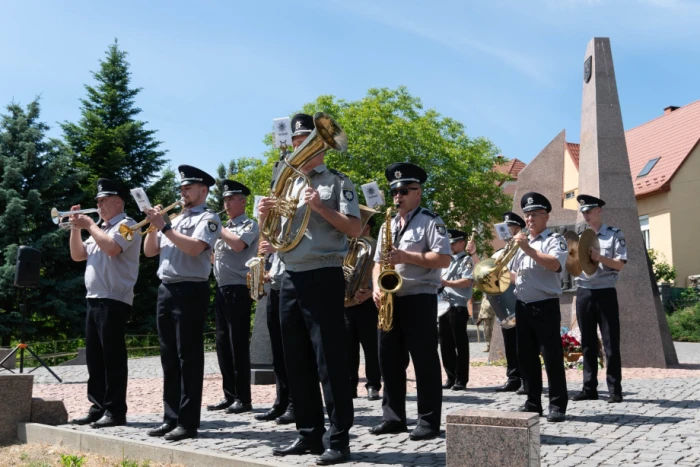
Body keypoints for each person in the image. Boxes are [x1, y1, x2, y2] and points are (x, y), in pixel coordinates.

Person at [258, 113, 360, 465]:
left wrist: (319, 207)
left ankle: (339, 439)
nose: (300, 147)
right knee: (295, 361)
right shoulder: (285, 182)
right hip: (288, 275)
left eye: (308, 141)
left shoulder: (337, 182)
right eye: (299, 141)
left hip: (321, 273)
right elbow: (272, 233)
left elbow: (355, 228)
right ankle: (308, 434)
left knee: (328, 361)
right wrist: (263, 215)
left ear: (319, 147)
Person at [370, 162, 451, 441]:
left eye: (404, 190)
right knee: (389, 362)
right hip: (391, 300)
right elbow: (377, 263)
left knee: (425, 362)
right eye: (394, 191)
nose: (398, 196)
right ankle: (393, 418)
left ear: (418, 192)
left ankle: (428, 421)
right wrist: (375, 288)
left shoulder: (431, 221)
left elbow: (443, 259)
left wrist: (406, 257)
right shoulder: (387, 225)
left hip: (419, 298)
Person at [143, 165, 221, 441]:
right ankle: (170, 417)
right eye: (182, 188)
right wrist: (155, 227)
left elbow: (195, 248)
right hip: (166, 289)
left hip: (191, 289)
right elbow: (150, 250)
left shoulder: (209, 218)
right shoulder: (174, 218)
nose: (183, 192)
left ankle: (187, 422)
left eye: (188, 188)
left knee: (188, 357)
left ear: (203, 190)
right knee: (168, 357)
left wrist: (163, 226)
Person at [69, 178, 140, 429]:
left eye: (103, 201)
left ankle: (115, 411)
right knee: (95, 359)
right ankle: (97, 406)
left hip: (114, 299)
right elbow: (78, 255)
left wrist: (89, 225)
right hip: (94, 298)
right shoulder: (101, 227)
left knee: (112, 358)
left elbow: (112, 249)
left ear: (118, 201)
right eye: (97, 201)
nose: (98, 205)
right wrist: (76, 228)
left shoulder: (128, 225)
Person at [508, 192, 569, 423]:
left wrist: (528, 250)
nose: (530, 219)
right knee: (526, 358)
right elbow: (516, 274)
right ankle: (533, 402)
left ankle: (557, 405)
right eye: (527, 215)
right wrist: (499, 276)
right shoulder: (521, 243)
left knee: (551, 357)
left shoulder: (554, 240)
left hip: (545, 305)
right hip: (522, 305)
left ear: (546, 216)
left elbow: (554, 265)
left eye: (535, 214)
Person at [207, 180, 258, 414]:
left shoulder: (250, 224)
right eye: (224, 200)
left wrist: (217, 227)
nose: (226, 204)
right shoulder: (223, 227)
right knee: (222, 344)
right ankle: (229, 395)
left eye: (230, 199)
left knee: (237, 343)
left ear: (243, 201)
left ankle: (243, 398)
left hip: (239, 287)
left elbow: (238, 246)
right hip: (222, 287)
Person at [572, 194, 627, 403]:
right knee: (587, 343)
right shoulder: (579, 236)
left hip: (605, 291)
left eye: (589, 211)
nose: (585, 215)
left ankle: (615, 390)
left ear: (599, 211)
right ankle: (589, 388)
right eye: (583, 212)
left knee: (610, 341)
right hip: (584, 291)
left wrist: (600, 258)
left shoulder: (614, 234)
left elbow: (620, 264)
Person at [253, 248, 295, 424]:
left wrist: (275, 247)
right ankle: (281, 402)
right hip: (276, 289)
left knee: (292, 352)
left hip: (291, 287)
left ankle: (295, 404)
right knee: (277, 352)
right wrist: (268, 274)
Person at [344, 215, 382, 401]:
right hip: (346, 302)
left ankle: (373, 385)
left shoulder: (375, 246)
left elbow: (383, 272)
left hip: (367, 301)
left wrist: (371, 291)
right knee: (348, 348)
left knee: (371, 347)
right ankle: (350, 386)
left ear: (367, 227)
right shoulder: (347, 245)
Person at [494, 212, 527, 394]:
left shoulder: (522, 249)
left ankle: (525, 378)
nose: (505, 230)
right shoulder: (501, 251)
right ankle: (513, 377)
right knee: (509, 342)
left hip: (518, 298)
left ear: (517, 228)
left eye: (509, 227)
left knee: (521, 342)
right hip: (504, 301)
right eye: (504, 227)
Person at [439, 229, 475, 391]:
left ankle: (461, 379)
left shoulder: (466, 260)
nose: (450, 246)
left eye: (453, 243)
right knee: (445, 344)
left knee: (459, 344)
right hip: (443, 306)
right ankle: (450, 376)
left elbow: (467, 282)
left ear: (462, 243)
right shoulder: (446, 260)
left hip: (457, 305)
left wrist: (446, 283)